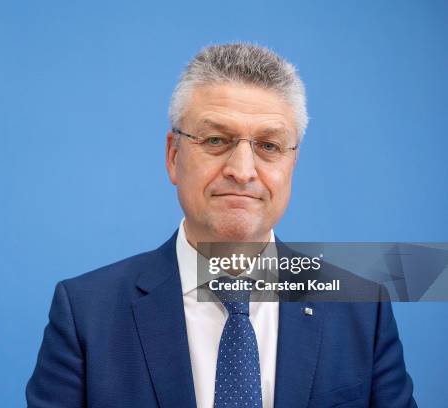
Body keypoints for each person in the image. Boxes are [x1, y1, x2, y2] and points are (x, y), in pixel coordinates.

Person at [26, 43, 416, 408]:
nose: (243, 172)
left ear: (292, 163)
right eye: (216, 140)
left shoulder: (363, 309)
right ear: (173, 155)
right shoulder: (85, 313)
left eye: (269, 146)